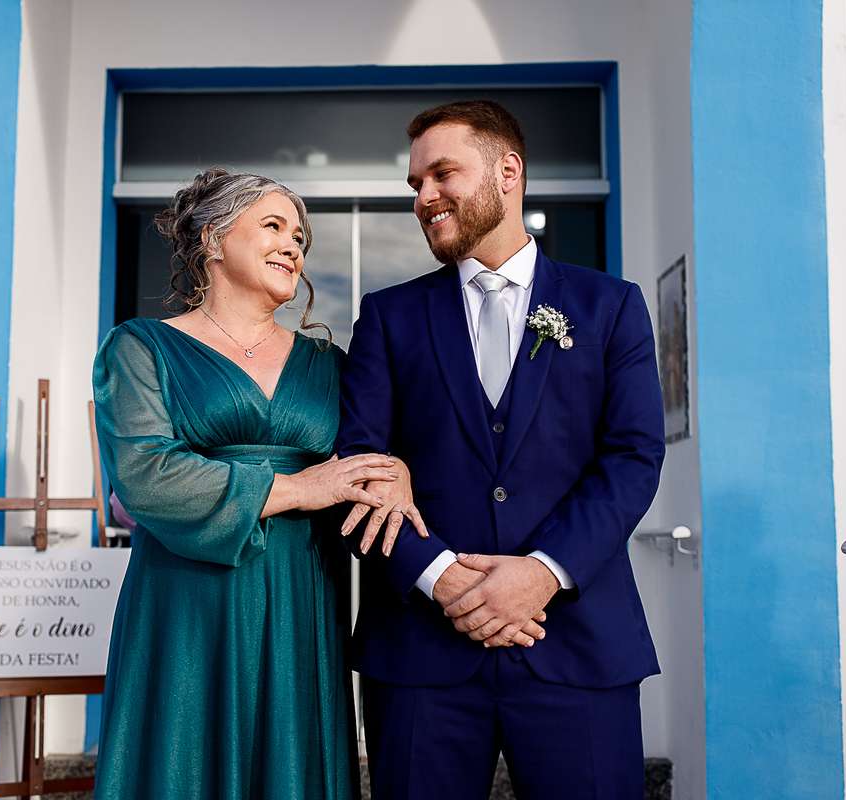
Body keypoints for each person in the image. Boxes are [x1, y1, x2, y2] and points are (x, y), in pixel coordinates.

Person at [336, 101, 666, 799]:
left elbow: (632, 458)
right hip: (421, 652)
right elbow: (357, 468)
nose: (423, 198)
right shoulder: (388, 318)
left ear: (507, 171)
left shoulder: (610, 307)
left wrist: (543, 572)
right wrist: (444, 579)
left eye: (442, 174)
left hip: (575, 643)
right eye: (415, 184)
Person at [92, 168, 414, 799]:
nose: (293, 246)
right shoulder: (140, 348)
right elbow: (144, 476)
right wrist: (298, 489)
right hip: (186, 604)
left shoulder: (330, 365)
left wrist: (395, 471)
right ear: (213, 238)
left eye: (300, 237)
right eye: (274, 226)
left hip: (301, 596)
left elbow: (367, 460)